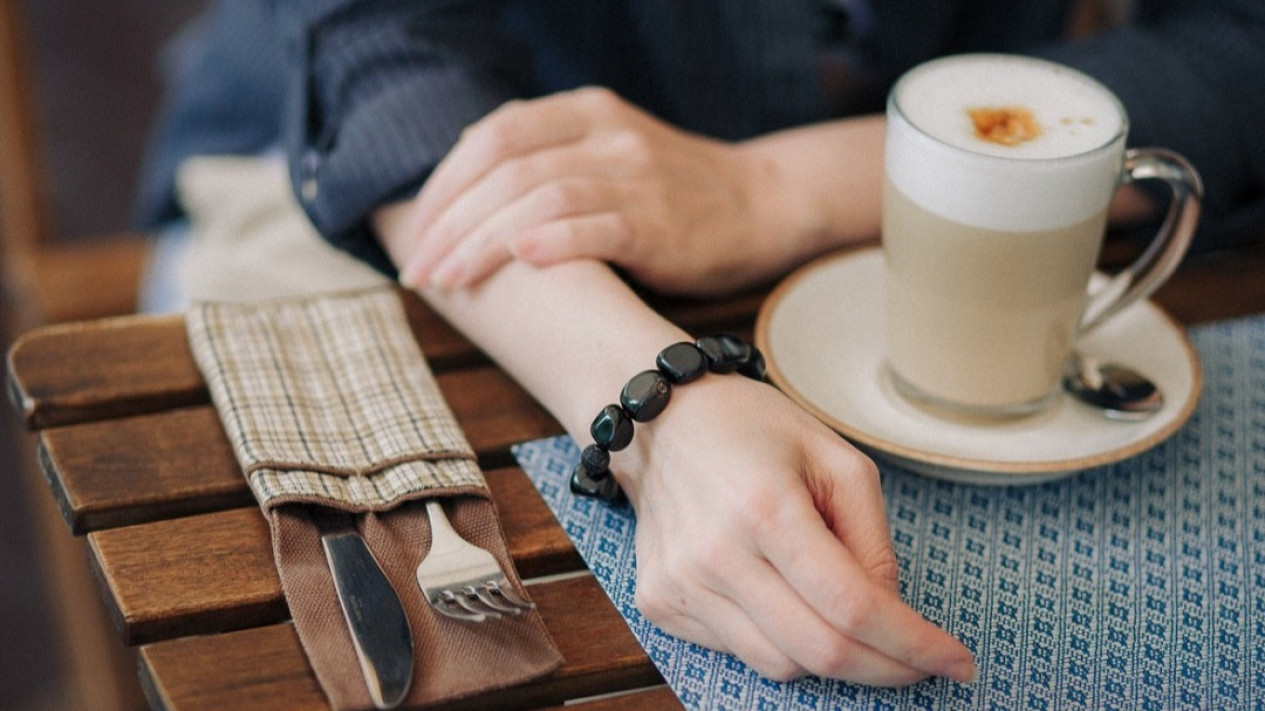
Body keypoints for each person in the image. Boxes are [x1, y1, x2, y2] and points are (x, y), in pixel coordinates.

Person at [134, 0, 1265, 686]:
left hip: (891, 183)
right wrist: (653, 407)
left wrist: (779, 188)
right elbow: (384, 66)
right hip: (385, 190)